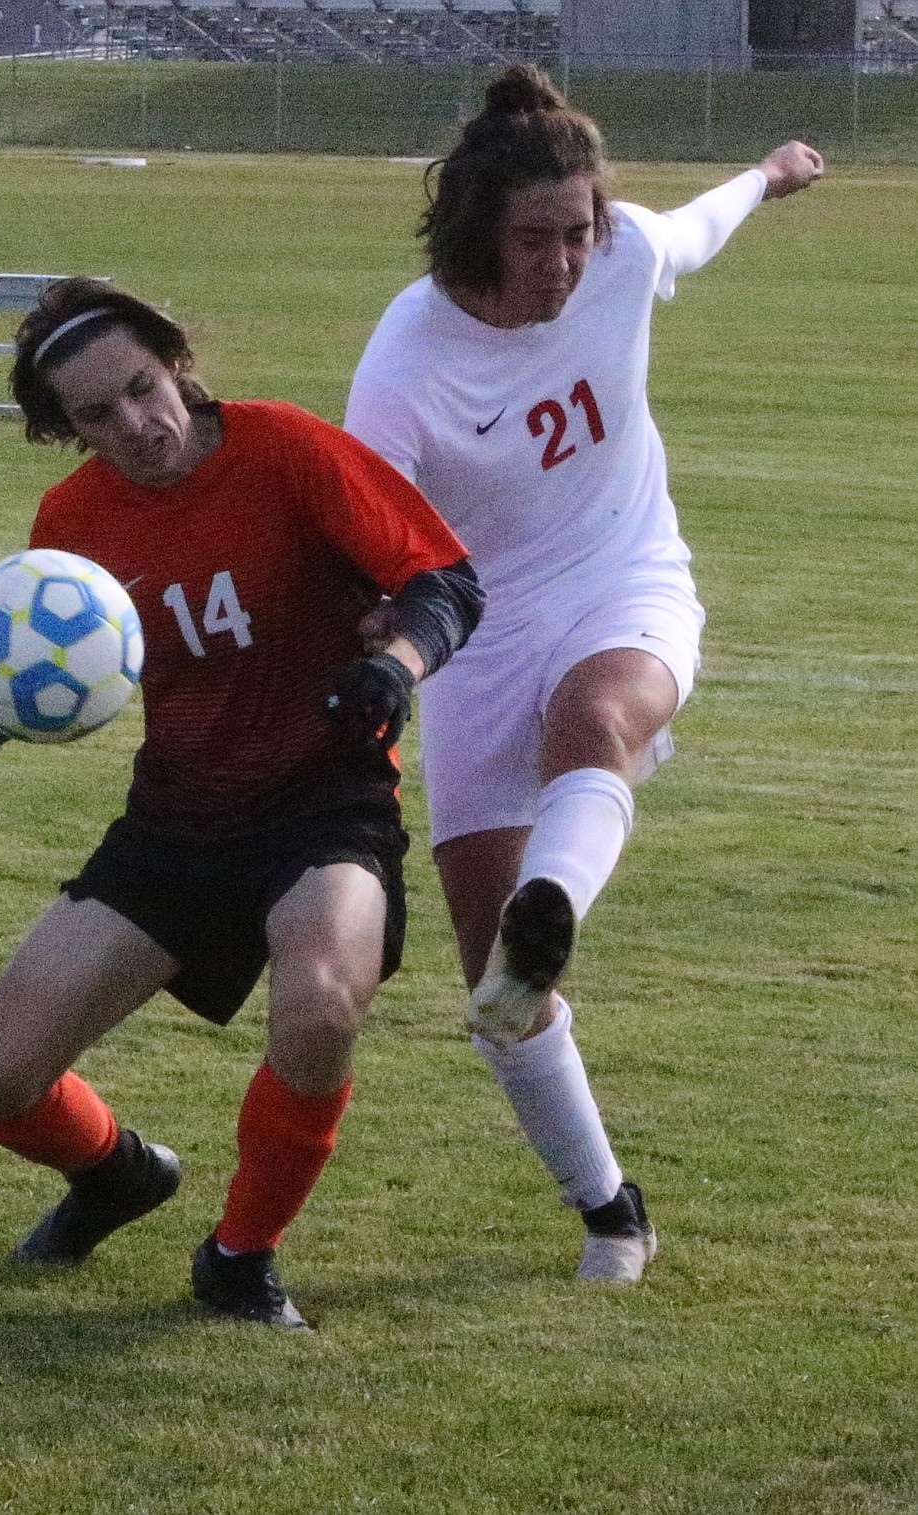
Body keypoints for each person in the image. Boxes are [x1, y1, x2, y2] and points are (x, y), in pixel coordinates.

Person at [0, 277, 484, 1329]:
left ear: (176, 362)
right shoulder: (73, 519)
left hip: (326, 804)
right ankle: (120, 1175)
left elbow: (447, 583)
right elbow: (21, 674)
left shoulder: (287, 449)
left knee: (319, 1000)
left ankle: (240, 1255)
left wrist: (395, 666)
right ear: (61, 428)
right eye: (95, 413)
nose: (135, 424)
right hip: (176, 823)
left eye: (141, 388)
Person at [344, 65, 823, 1283]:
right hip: (474, 636)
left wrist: (767, 177)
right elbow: (359, 533)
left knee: (596, 717)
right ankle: (611, 1207)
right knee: (492, 1001)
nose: (567, 260)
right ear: (473, 228)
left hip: (626, 575)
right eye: (538, 238)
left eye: (582, 229)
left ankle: (545, 920)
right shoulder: (407, 358)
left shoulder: (621, 253)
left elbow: (695, 231)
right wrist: (365, 632)